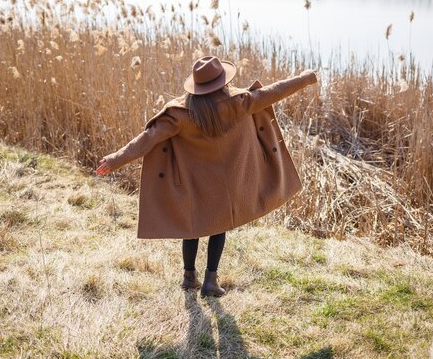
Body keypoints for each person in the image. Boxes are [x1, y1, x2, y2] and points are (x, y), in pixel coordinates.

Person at [96, 56, 318, 297]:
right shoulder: (238, 103)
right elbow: (275, 91)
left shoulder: (180, 114)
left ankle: (189, 277)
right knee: (218, 228)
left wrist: (115, 159)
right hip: (226, 186)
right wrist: (306, 78)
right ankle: (211, 280)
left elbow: (147, 139)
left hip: (195, 184)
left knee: (192, 228)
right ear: (222, 82)